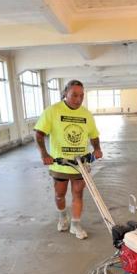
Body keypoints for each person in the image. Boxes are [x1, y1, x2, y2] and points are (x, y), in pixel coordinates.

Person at [34, 80, 103, 240]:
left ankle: (76, 224)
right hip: (60, 164)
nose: (78, 99)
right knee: (60, 194)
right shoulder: (52, 111)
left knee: (78, 193)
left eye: (81, 96)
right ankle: (62, 217)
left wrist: (97, 149)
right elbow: (39, 133)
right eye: (74, 95)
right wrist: (44, 154)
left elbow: (93, 135)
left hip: (81, 163)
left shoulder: (86, 114)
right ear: (65, 93)